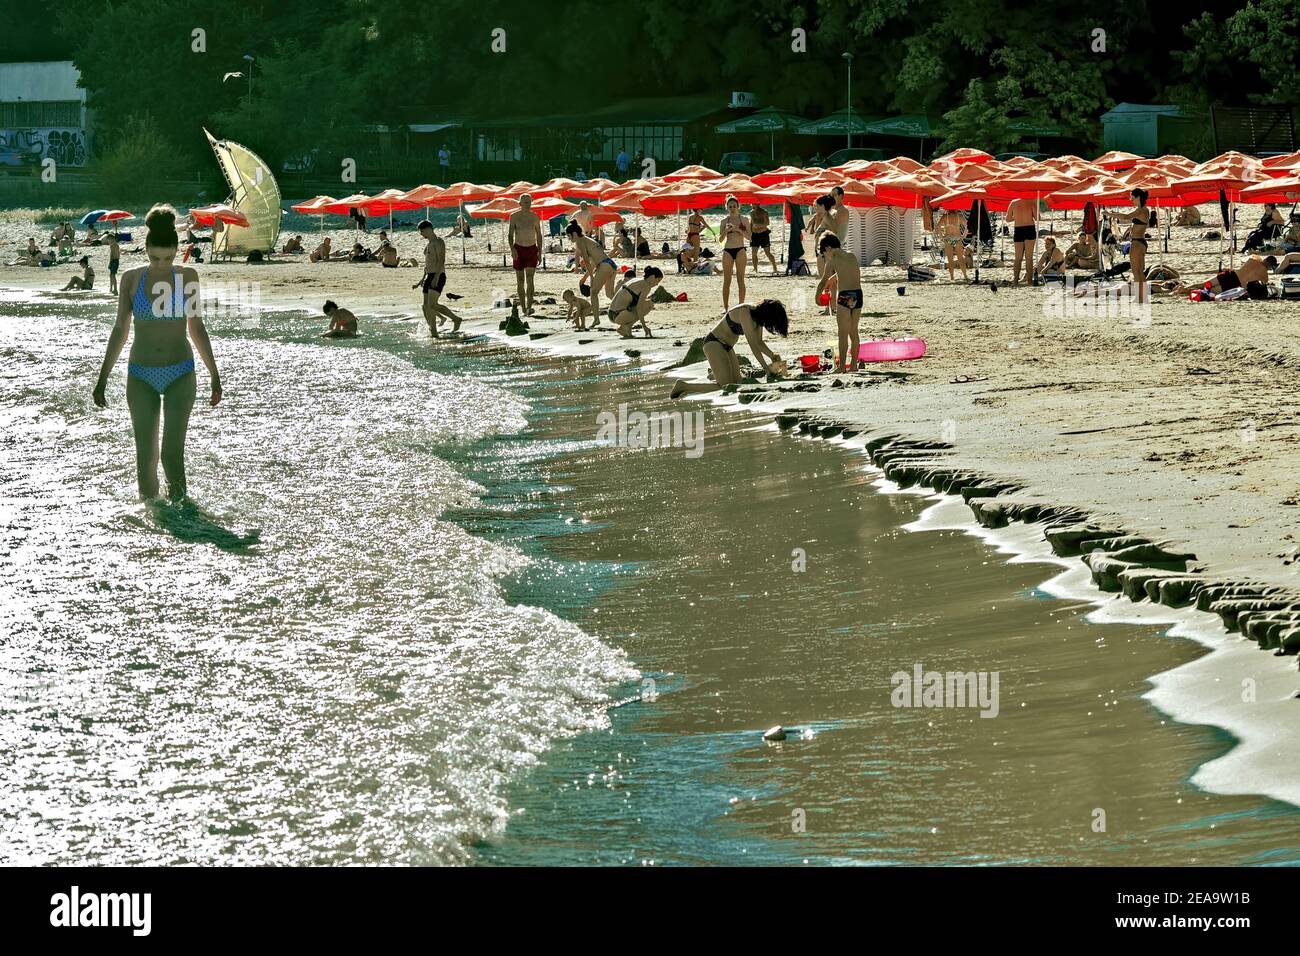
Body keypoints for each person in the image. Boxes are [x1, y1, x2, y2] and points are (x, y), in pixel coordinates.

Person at [92, 204, 221, 500]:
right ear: (146, 249)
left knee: (171, 456)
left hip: (180, 373)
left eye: (167, 258)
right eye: (154, 258)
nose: (161, 264)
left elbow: (196, 327)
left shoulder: (188, 277)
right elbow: (120, 330)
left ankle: (183, 519)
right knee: (145, 460)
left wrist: (214, 374)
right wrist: (102, 378)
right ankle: (152, 524)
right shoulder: (132, 279)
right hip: (140, 375)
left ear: (177, 251)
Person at [669, 300, 789, 398]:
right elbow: (753, 346)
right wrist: (766, 369)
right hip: (714, 343)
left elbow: (759, 342)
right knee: (726, 387)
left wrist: (772, 356)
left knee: (736, 384)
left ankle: (703, 382)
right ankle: (684, 386)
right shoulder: (745, 312)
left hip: (727, 347)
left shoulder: (758, 320)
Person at [815, 235, 863, 373]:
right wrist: (834, 278)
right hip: (858, 295)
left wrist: (817, 297)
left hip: (845, 295)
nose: (825, 256)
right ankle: (853, 366)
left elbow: (822, 282)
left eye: (824, 253)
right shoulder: (851, 256)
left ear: (829, 248)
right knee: (853, 332)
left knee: (842, 333)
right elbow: (847, 272)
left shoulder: (833, 261)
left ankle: (842, 366)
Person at [1108, 188, 1155, 302]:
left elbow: (1126, 217)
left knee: (1136, 271)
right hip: (1138, 242)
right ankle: (1142, 297)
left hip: (1137, 242)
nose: (1131, 200)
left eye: (1132, 197)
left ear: (1138, 197)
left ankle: (1141, 297)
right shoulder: (1142, 210)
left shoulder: (1142, 210)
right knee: (1138, 271)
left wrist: (1109, 213)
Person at [415, 219, 460, 336]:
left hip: (438, 275)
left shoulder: (438, 242)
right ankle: (433, 331)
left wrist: (436, 276)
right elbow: (427, 265)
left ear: (429, 229)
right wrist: (422, 279)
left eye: (422, 231)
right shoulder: (429, 244)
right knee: (425, 307)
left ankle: (455, 319)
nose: (421, 234)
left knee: (432, 305)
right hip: (429, 276)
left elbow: (441, 260)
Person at [566, 221, 617, 319]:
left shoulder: (579, 242)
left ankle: (596, 320)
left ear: (574, 234)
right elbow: (594, 262)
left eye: (569, 236)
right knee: (610, 294)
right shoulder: (587, 239)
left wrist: (592, 278)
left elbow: (587, 261)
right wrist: (585, 278)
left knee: (593, 292)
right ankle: (626, 306)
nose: (569, 239)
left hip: (604, 265)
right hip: (611, 264)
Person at [508, 194, 543, 315]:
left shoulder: (535, 217)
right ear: (520, 204)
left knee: (530, 278)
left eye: (529, 202)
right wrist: (512, 249)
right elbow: (510, 234)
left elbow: (539, 235)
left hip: (532, 249)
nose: (528, 205)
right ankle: (522, 307)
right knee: (520, 279)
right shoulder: (514, 216)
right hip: (519, 249)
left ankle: (529, 307)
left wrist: (540, 251)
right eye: (525, 203)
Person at [606, 267, 662, 338]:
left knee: (646, 303)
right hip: (618, 315)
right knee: (649, 304)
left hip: (611, 313)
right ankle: (624, 327)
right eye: (658, 280)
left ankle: (627, 329)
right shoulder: (646, 286)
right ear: (652, 277)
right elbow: (639, 308)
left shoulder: (636, 280)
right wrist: (644, 327)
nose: (657, 284)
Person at [718, 195, 749, 310]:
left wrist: (738, 230)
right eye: (730, 206)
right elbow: (720, 240)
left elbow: (750, 237)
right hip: (728, 250)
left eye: (734, 206)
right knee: (727, 280)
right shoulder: (724, 221)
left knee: (740, 279)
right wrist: (726, 230)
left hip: (740, 248)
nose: (732, 208)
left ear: (738, 206)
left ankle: (741, 306)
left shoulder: (744, 219)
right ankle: (725, 307)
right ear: (727, 207)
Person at [1007, 195, 1038, 284]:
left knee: (1018, 258)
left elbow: (1008, 219)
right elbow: (1037, 218)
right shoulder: (1032, 201)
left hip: (1018, 229)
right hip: (1029, 229)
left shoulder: (1013, 202)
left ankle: (1015, 281)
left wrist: (1017, 217)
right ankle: (1029, 281)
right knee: (1029, 257)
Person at [936, 208, 969, 281]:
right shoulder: (959, 216)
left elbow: (937, 227)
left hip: (948, 239)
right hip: (957, 238)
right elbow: (967, 226)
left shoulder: (945, 216)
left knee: (950, 260)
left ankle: (952, 277)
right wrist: (964, 236)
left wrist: (942, 237)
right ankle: (965, 275)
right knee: (960, 259)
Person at [748, 205, 777, 274]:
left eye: (754, 203)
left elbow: (767, 223)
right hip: (754, 235)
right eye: (751, 203)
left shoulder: (764, 212)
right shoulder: (751, 212)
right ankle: (755, 269)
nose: (752, 205)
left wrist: (759, 226)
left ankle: (774, 267)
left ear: (758, 203)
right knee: (753, 253)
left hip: (763, 234)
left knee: (767, 253)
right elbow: (751, 223)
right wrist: (749, 232)